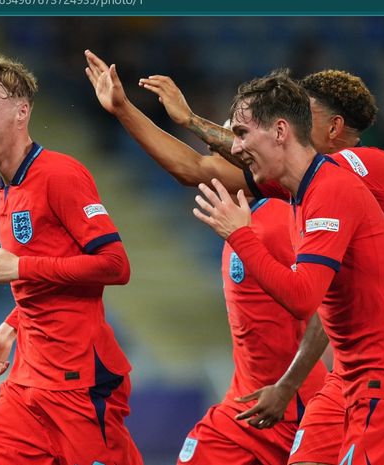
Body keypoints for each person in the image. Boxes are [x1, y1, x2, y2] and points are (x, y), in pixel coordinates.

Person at [141, 69, 384, 465]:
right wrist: (176, 118)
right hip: (353, 364)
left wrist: (241, 231)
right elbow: (197, 170)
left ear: (333, 126)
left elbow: (303, 294)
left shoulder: (365, 167)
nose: (296, 123)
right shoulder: (304, 187)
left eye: (303, 115)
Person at [85, 51, 328, 465]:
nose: (234, 146)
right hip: (244, 403)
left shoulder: (314, 210)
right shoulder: (258, 191)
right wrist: (124, 110)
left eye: (242, 134)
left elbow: (327, 311)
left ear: (280, 132)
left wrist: (287, 389)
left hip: (300, 406)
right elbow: (192, 166)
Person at [0, 50, 142, 465]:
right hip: (27, 382)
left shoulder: (61, 175)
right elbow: (44, 277)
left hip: (80, 382)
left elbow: (116, 265)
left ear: (21, 113)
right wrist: (8, 331)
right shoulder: (3, 188)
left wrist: (20, 267)